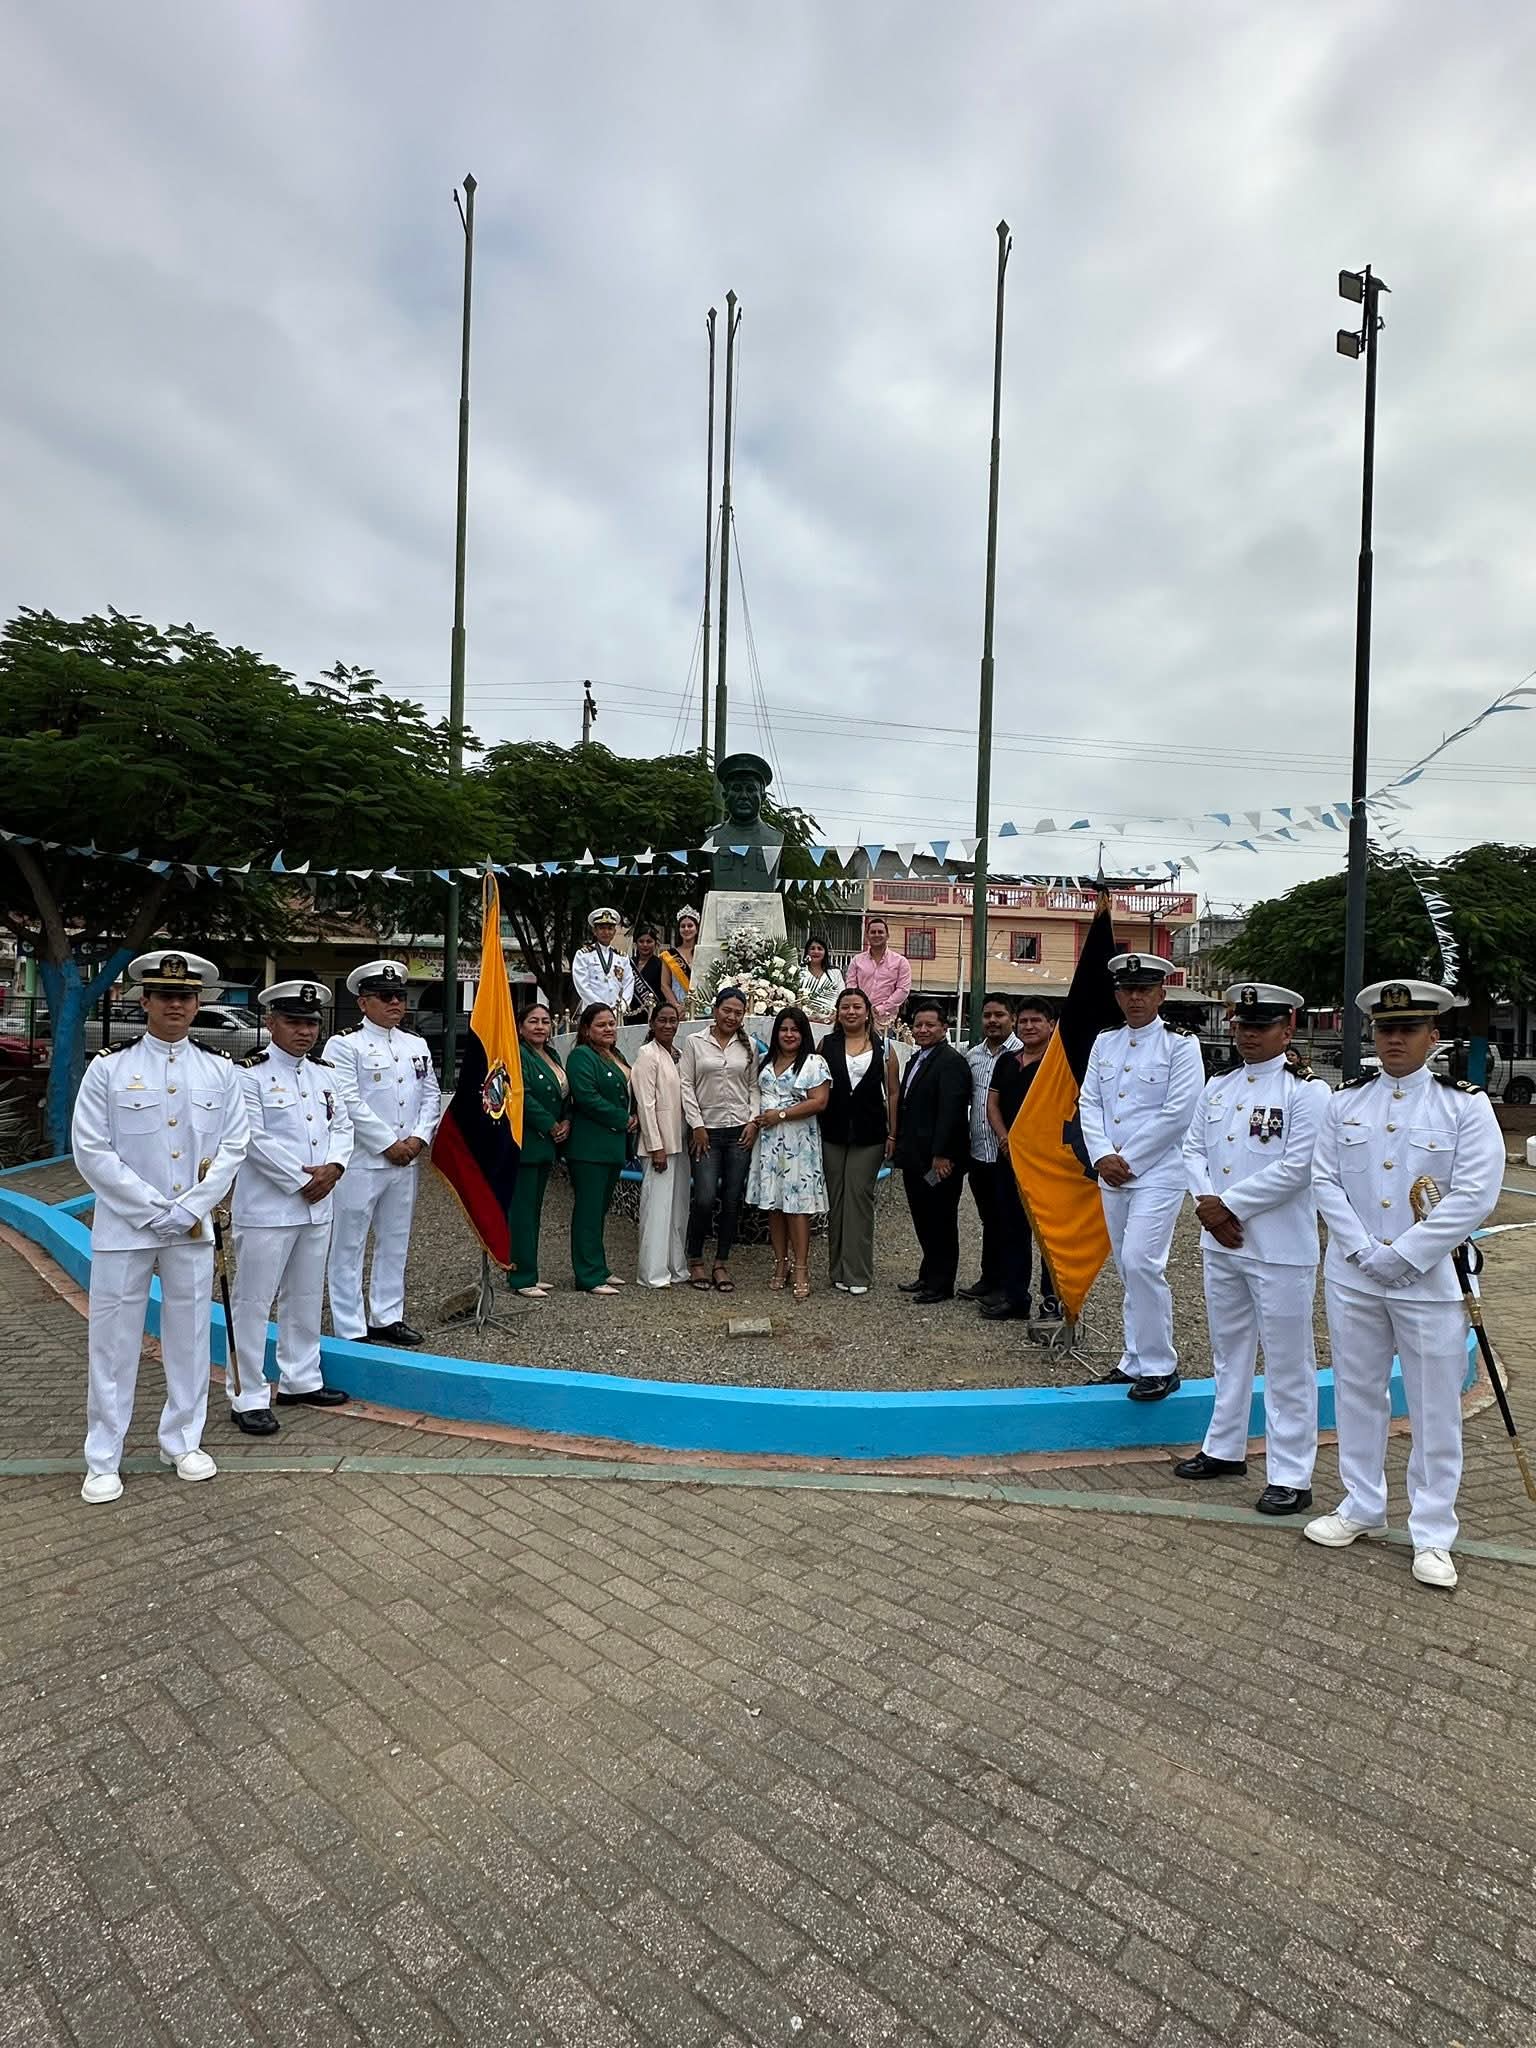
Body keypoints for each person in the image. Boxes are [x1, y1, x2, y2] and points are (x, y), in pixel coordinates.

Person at [1305, 979, 1505, 1589]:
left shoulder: (1464, 1106)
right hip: (1355, 1275)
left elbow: (1475, 1194)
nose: (1395, 1038)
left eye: (1408, 1029)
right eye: (1385, 1028)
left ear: (1432, 1036)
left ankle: (1434, 1531)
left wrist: (1406, 1255)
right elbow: (1324, 1180)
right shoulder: (1345, 1102)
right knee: (1358, 1393)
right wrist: (1365, 1251)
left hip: (1430, 1280)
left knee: (1434, 1406)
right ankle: (1362, 1504)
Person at [70, 949, 250, 1503]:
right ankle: (103, 1456)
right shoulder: (109, 1068)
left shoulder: (220, 1070)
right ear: (144, 1001)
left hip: (191, 1227)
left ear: (198, 1003)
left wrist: (191, 1207)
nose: (176, 1005)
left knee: (190, 1337)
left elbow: (233, 1146)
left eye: (186, 996)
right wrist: (153, 1208)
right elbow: (91, 1149)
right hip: (126, 1226)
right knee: (112, 1342)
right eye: (165, 995)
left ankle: (183, 1440)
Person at [1176, 983, 1326, 1512]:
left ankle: (1291, 1474)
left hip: (1279, 1248)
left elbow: (1298, 1167)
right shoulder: (1218, 1085)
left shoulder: (1307, 1092)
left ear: (1287, 1029)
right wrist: (1207, 1205)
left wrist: (1226, 1206)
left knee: (1288, 1364)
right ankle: (1224, 1448)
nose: (1248, 1036)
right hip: (1222, 1242)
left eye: (1261, 1027)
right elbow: (1192, 1150)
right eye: (1242, 1026)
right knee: (1228, 1352)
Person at [228, 980, 354, 1434]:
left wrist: (335, 1167)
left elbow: (343, 1126)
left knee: (305, 1296)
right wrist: (304, 1180)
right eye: (293, 1022)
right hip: (268, 1208)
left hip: (318, 1206)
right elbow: (250, 1137)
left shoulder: (324, 1074)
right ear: (270, 1022)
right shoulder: (248, 1074)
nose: (305, 1031)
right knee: (252, 1302)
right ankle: (247, 1394)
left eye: (311, 1023)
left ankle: (301, 1378)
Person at [1077, 952, 1206, 1400]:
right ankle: (1133, 1359)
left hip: (1158, 1170)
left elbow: (1180, 1112)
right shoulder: (1105, 1042)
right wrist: (1101, 1155)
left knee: (1141, 1262)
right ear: (1117, 995)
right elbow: (1089, 1102)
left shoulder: (1181, 1045)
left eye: (1145, 990)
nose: (1135, 998)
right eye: (1128, 990)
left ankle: (1160, 1364)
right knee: (1127, 1268)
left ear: (1160, 994)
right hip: (1110, 1171)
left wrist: (1126, 1159)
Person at [323, 960, 441, 1347]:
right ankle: (350, 1325)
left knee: (395, 1240)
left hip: (406, 1160)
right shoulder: (345, 1044)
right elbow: (347, 1101)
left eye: (400, 996)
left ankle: (387, 1316)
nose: (395, 1003)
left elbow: (430, 1095)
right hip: (363, 1160)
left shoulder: (415, 1044)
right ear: (363, 1002)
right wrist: (387, 1143)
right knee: (349, 1243)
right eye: (386, 996)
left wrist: (419, 1138)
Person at [981, 995, 1063, 1322]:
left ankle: (1052, 1301)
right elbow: (992, 1104)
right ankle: (1015, 1297)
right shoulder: (1007, 1061)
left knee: (1048, 1235)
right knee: (1012, 1229)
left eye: (1036, 1021)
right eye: (1024, 1021)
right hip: (1009, 1157)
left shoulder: (1059, 1063)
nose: (1029, 1026)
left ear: (1051, 1025)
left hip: (1046, 1162)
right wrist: (1005, 1138)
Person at [678, 985, 762, 1292]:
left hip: (739, 1131)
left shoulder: (749, 1045)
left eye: (738, 1013)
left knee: (731, 1199)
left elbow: (753, 1087)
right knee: (704, 1196)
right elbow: (685, 1085)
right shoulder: (695, 1042)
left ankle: (721, 1263)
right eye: (726, 1010)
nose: (731, 1017)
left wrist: (753, 1121)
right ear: (715, 1010)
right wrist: (696, 1125)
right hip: (706, 1132)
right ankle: (695, 1258)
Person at [747, 1005, 832, 1302]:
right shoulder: (767, 1061)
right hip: (769, 1142)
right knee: (775, 1205)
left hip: (798, 1142)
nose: (789, 1034)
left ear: (803, 1033)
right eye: (783, 1029)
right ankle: (780, 1262)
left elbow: (819, 1102)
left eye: (794, 1029)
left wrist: (781, 1115)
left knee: (797, 1207)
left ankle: (801, 1268)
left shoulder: (813, 1062)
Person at [819, 987, 900, 1295]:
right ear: (838, 1013)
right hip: (833, 1131)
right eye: (845, 1007)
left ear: (868, 1012)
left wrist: (893, 1132)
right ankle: (837, 1269)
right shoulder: (826, 1045)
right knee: (837, 1200)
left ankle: (858, 1272)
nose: (851, 1012)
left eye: (856, 1007)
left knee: (859, 1197)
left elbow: (893, 1092)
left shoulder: (885, 1048)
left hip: (870, 1134)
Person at [892, 998, 971, 1304]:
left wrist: (943, 1154)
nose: (922, 1030)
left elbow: (952, 1112)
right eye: (918, 1025)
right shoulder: (917, 1058)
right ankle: (928, 1274)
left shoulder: (951, 1062)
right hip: (915, 1156)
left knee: (940, 1220)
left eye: (930, 1025)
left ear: (944, 1028)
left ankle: (941, 1283)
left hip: (939, 1161)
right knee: (923, 1218)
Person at [563, 1003, 636, 1294]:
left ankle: (599, 1266)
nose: (608, 1029)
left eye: (611, 1024)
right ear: (586, 1029)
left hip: (612, 1145)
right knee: (588, 1211)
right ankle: (588, 1275)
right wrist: (622, 1118)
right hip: (590, 1146)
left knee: (599, 1210)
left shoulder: (615, 1054)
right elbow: (587, 1097)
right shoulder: (582, 1056)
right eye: (601, 1025)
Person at [959, 994, 1022, 1304]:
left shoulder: (1022, 1054)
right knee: (989, 1219)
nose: (993, 1021)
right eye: (987, 1015)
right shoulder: (972, 1056)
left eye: (1000, 1015)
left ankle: (1009, 1286)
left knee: (1010, 1221)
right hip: (979, 1152)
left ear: (1012, 1018)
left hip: (1009, 1154)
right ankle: (989, 1279)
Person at [507, 1003, 570, 1298]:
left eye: (545, 1021)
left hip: (547, 1144)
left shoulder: (552, 1055)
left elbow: (563, 1093)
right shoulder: (518, 1054)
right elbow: (522, 1095)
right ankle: (521, 1276)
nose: (540, 1027)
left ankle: (530, 1270)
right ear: (521, 1027)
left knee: (534, 1212)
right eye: (533, 1021)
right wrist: (550, 1124)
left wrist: (566, 1120)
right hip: (528, 1142)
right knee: (522, 1213)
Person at [631, 1001, 691, 1287]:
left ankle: (676, 1267)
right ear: (652, 1023)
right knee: (657, 1210)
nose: (668, 1025)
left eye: (673, 1020)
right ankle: (653, 1273)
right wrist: (656, 1146)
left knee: (677, 1209)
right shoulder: (647, 1054)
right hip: (659, 1144)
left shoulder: (678, 1055)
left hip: (680, 1139)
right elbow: (645, 1104)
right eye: (662, 1020)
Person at [845, 917, 913, 1033]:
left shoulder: (900, 962)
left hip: (886, 1022)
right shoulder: (857, 960)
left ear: (887, 935)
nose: (876, 935)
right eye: (873, 932)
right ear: (867, 936)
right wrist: (861, 1006)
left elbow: (903, 990)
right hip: (859, 1018)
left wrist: (881, 1008)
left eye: (880, 932)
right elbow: (851, 985)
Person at [571, 907, 636, 1016]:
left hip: (617, 1013)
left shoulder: (622, 957)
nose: (606, 932)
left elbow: (629, 983)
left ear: (614, 931)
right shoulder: (583, 955)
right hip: (592, 1011)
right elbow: (582, 986)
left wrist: (621, 1007)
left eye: (610, 928)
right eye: (601, 928)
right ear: (594, 931)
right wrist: (600, 1009)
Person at [659, 909, 700, 1011]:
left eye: (690, 926)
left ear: (697, 929)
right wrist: (676, 1006)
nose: (686, 929)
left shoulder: (703, 953)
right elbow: (664, 985)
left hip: (701, 1005)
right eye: (683, 926)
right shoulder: (669, 955)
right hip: (677, 1007)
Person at [799, 936, 845, 1022]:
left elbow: (843, 997)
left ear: (825, 952)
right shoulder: (799, 973)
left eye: (820, 949)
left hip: (831, 1021)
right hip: (804, 1021)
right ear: (807, 951)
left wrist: (833, 1017)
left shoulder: (835, 973)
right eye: (812, 948)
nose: (816, 951)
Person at [627, 927, 665, 1021]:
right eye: (641, 941)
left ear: (655, 944)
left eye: (649, 941)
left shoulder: (661, 964)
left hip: (652, 1014)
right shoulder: (628, 963)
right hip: (630, 1013)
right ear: (636, 943)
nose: (645, 945)